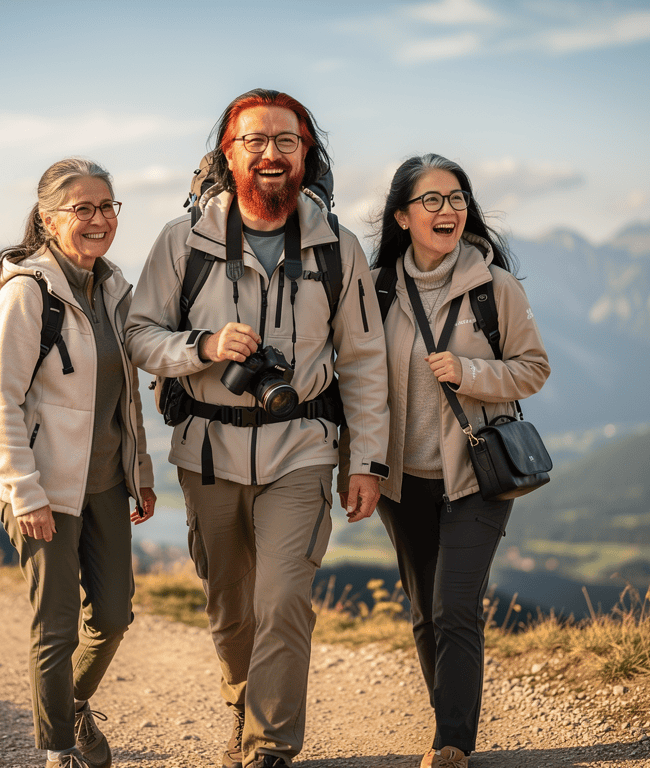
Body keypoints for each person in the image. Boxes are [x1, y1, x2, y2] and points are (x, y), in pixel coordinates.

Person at [125, 89, 390, 768]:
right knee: (231, 607)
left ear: (307, 153)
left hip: (301, 449)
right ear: (228, 152)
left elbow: (362, 361)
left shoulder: (339, 249)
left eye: (286, 141)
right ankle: (244, 701)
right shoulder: (183, 242)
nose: (271, 154)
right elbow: (139, 334)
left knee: (283, 599)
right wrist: (204, 348)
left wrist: (368, 463)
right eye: (255, 141)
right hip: (207, 453)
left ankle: (270, 746)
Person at [370, 154, 550, 768]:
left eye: (457, 199)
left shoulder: (496, 286)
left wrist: (469, 372)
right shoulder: (377, 290)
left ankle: (452, 745)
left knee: (453, 606)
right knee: (425, 613)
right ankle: (445, 724)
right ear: (402, 216)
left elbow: (534, 369)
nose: (448, 210)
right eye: (433, 201)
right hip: (404, 480)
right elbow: (359, 381)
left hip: (477, 473)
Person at [0, 157, 156, 768]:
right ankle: (58, 751)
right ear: (50, 219)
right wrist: (24, 492)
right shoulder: (28, 293)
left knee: (112, 615)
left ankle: (71, 704)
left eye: (108, 205)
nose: (100, 218)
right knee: (55, 625)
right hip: (43, 488)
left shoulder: (112, 287)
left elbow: (125, 394)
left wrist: (140, 476)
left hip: (105, 483)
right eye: (83, 208)